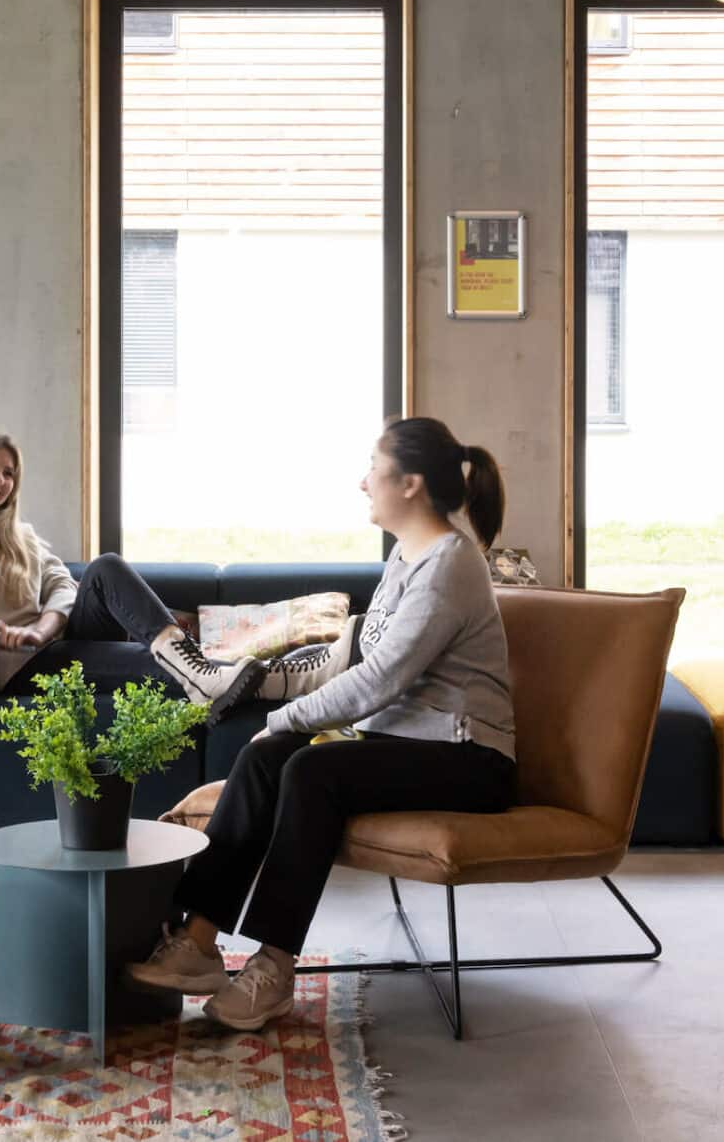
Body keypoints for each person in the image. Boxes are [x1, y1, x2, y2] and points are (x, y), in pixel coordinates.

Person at [124, 417, 517, 1031]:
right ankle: (198, 944)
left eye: (373, 466)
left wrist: (282, 719)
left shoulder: (448, 566)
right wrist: (267, 700)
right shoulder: (407, 556)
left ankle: (275, 967)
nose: (363, 482)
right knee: (265, 757)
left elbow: (380, 680)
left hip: (469, 758)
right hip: (406, 743)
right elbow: (356, 659)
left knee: (311, 769)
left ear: (410, 483)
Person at [0, 426, 263, 712]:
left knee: (105, 568)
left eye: (9, 473)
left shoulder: (19, 537)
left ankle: (197, 668)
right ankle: (228, 673)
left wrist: (45, 627)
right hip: (21, 669)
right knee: (152, 665)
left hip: (58, 643)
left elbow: (62, 583)